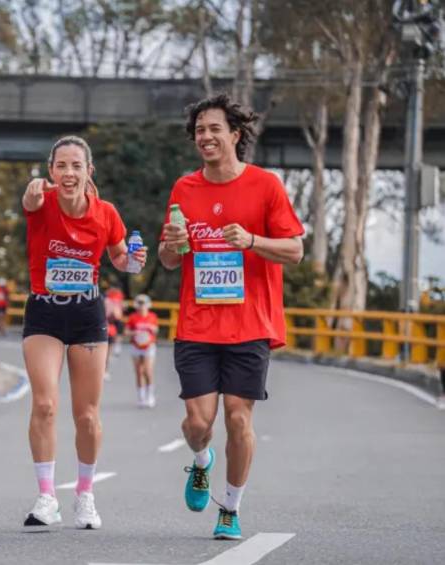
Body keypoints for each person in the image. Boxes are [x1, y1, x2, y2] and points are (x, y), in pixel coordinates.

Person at [158, 93, 303, 540]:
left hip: (249, 324)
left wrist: (253, 240)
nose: (205, 137)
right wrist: (172, 243)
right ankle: (201, 461)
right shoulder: (185, 189)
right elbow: (168, 260)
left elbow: (295, 250)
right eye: (199, 130)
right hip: (198, 324)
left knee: (239, 419)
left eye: (214, 128)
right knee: (199, 425)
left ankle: (231, 509)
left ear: (235, 135)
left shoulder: (265, 186)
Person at [21, 135, 147, 530]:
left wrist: (134, 263)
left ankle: (85, 495)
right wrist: (31, 193)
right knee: (44, 404)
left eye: (77, 166)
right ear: (51, 171)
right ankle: (46, 497)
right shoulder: (41, 202)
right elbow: (29, 203)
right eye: (61, 166)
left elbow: (121, 257)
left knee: (87, 416)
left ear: (89, 171)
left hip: (87, 314)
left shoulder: (106, 213)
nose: (69, 173)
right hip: (44, 312)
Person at [125, 294, 159, 408]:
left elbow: (156, 329)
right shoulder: (133, 317)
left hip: (148, 346)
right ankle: (141, 397)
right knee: (139, 372)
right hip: (136, 346)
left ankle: (150, 396)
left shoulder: (152, 316)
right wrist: (134, 333)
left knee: (147, 371)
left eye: (143, 303)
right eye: (139, 303)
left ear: (147, 305)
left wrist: (151, 329)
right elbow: (126, 332)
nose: (141, 306)